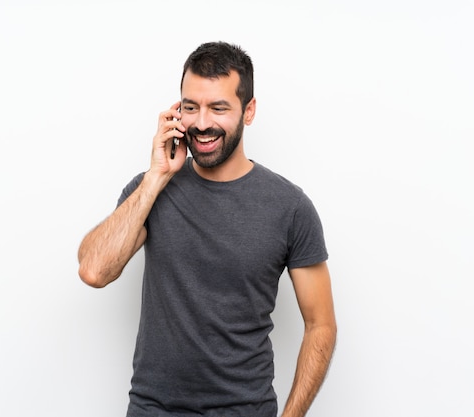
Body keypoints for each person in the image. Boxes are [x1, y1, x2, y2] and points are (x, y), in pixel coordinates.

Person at [77, 41, 337, 417]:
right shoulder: (150, 190)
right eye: (189, 106)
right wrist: (156, 177)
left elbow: (320, 324)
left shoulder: (290, 208)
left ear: (248, 111)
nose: (201, 123)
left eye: (218, 108)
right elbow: (93, 270)